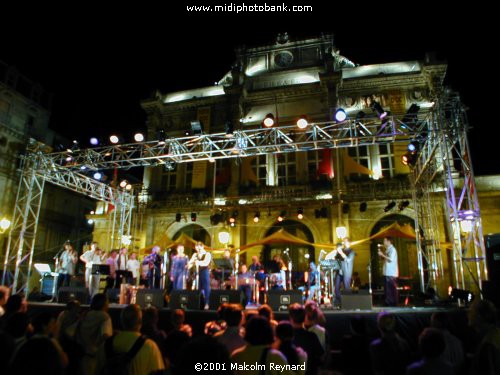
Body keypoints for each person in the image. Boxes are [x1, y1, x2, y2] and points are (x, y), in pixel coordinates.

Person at [96, 304, 165, 375]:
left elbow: (98, 370)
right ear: (140, 321)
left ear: (122, 321)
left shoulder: (107, 344)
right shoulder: (150, 346)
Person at [190, 242, 212, 309]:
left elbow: (206, 263)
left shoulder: (207, 254)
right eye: (197, 247)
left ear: (202, 247)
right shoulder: (195, 254)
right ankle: (197, 303)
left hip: (204, 272)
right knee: (197, 288)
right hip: (197, 272)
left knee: (206, 288)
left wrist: (197, 262)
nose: (198, 249)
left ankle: (207, 303)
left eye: (199, 247)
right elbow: (191, 262)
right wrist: (188, 265)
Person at [378, 236, 399, 306]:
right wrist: (381, 256)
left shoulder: (393, 249)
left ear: (389, 241)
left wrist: (382, 255)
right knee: (387, 289)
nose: (383, 242)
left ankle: (392, 302)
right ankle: (388, 301)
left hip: (391, 272)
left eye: (384, 241)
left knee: (391, 288)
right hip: (387, 272)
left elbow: (391, 259)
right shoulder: (387, 250)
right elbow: (385, 259)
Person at [335, 238, 355, 305]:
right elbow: (336, 259)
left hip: (347, 271)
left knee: (346, 288)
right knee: (336, 288)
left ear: (349, 243)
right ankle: (341, 302)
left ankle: (348, 303)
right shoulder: (342, 250)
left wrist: (341, 252)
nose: (343, 243)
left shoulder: (352, 251)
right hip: (339, 271)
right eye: (343, 242)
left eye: (345, 241)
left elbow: (348, 260)